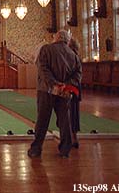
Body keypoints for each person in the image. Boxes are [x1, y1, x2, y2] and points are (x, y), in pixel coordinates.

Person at [28, 30, 82, 159]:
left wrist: (54, 84)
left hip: (47, 90)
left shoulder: (46, 49)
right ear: (67, 41)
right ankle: (65, 150)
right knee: (64, 121)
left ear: (56, 38)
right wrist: (65, 85)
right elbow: (78, 74)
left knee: (42, 119)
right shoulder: (73, 55)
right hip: (64, 92)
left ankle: (36, 149)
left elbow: (43, 69)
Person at [68, 38, 82, 148]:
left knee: (70, 113)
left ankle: (72, 137)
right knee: (74, 113)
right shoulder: (76, 57)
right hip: (74, 87)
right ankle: (74, 136)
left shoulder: (71, 57)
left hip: (70, 88)